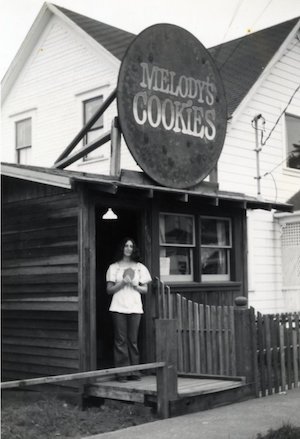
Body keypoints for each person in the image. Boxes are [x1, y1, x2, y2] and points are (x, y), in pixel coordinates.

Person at [106, 237, 152, 382]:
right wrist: (122, 283)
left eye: (131, 246)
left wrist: (134, 285)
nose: (128, 248)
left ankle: (134, 371)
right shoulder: (114, 267)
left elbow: (145, 290)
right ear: (122, 248)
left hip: (135, 307)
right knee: (120, 340)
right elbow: (109, 290)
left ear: (134, 249)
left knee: (132, 340)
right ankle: (122, 373)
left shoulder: (140, 267)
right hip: (118, 306)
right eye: (126, 245)